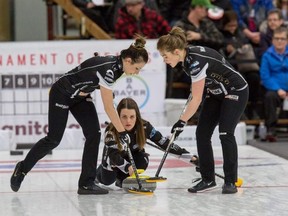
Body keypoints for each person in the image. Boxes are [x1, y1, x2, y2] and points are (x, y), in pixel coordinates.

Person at [10, 36, 149, 195]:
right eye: (137, 68)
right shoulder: (110, 70)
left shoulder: (116, 66)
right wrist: (122, 132)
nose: (137, 73)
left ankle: (86, 183)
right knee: (54, 139)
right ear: (129, 60)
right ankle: (22, 168)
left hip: (80, 96)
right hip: (61, 93)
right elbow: (108, 107)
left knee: (94, 134)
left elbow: (93, 76)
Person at [157, 26, 249, 194]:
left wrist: (181, 121)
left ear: (176, 51)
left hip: (235, 90)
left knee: (225, 133)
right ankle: (208, 179)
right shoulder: (186, 60)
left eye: (165, 55)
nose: (164, 59)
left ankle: (231, 181)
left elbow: (197, 99)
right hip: (215, 92)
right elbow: (196, 90)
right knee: (202, 133)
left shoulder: (195, 62)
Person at [96, 97, 189, 188]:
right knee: (107, 181)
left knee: (143, 160)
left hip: (131, 156)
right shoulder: (111, 130)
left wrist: (189, 157)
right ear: (118, 116)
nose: (128, 121)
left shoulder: (144, 127)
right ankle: (98, 173)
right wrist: (128, 167)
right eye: (124, 117)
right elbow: (113, 156)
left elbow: (164, 143)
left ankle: (122, 180)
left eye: (132, 117)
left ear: (137, 116)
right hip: (114, 160)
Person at [259, 26, 288, 142]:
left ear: (286, 40)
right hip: (275, 89)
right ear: (272, 40)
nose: (279, 41)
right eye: (277, 38)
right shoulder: (267, 55)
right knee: (269, 97)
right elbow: (265, 76)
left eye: (282, 38)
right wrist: (278, 89)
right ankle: (271, 129)